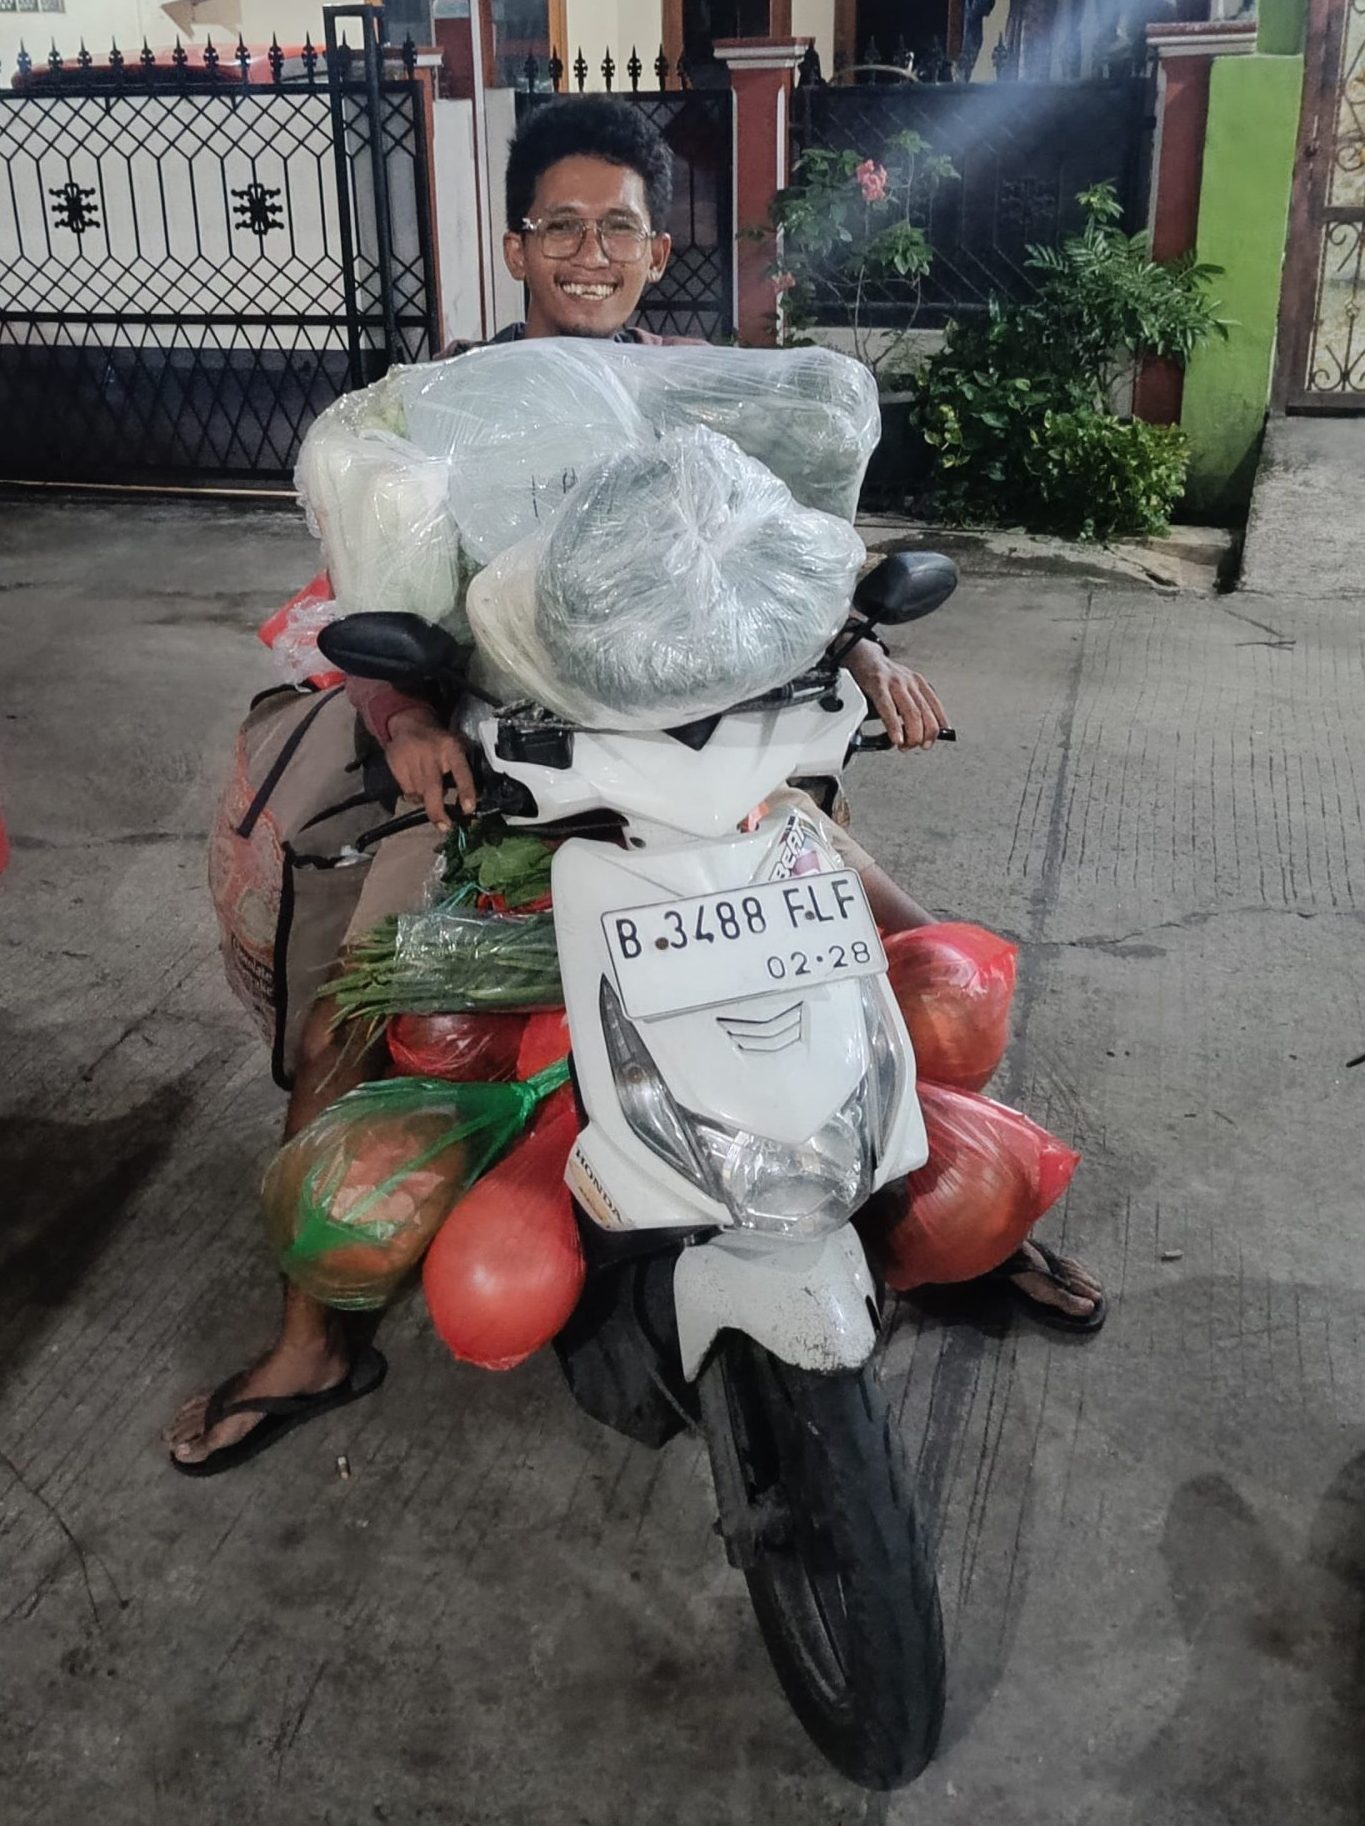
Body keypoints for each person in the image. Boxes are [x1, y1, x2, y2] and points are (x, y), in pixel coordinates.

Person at [168, 98, 1101, 1474]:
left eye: (618, 228)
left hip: (711, 778)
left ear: (659, 251)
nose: (589, 253)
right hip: (504, 784)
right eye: (561, 226)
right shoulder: (438, 412)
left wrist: (863, 643)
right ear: (515, 244)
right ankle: (313, 1337)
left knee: (909, 960)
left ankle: (952, 1226)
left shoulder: (714, 398)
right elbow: (368, 601)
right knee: (346, 1030)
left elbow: (793, 561)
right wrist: (406, 714)